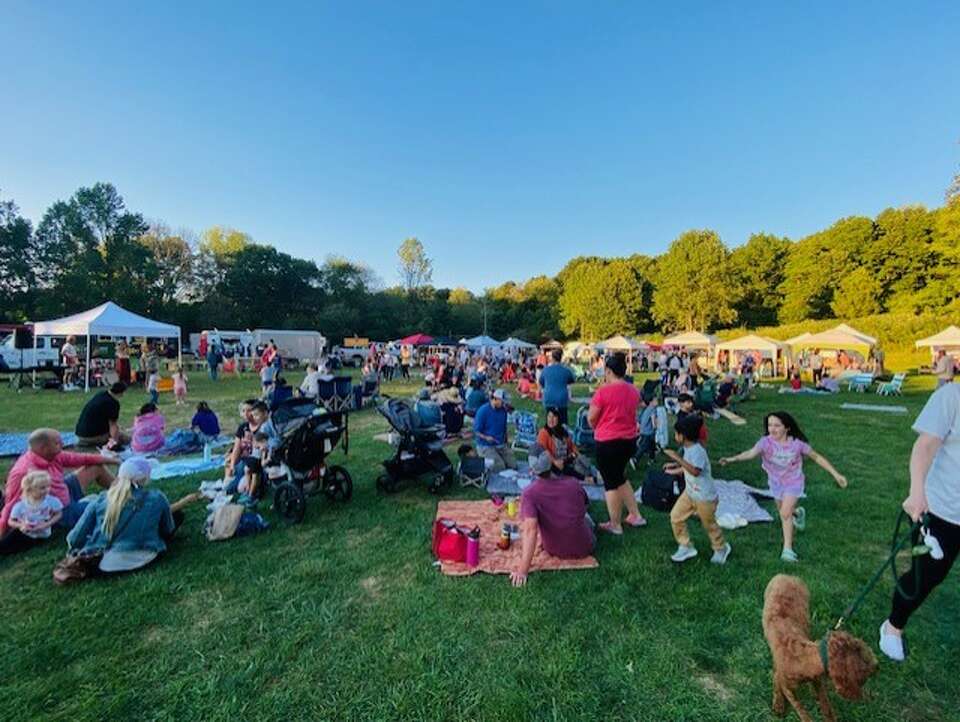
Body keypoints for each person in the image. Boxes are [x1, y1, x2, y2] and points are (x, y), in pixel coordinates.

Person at [877, 382, 959, 661]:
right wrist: (917, 492)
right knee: (926, 577)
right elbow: (925, 445)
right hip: (942, 510)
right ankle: (893, 626)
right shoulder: (951, 396)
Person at [719, 411, 847, 563]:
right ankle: (797, 513)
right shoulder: (765, 442)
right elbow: (751, 453)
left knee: (785, 514)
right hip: (775, 484)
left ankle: (787, 550)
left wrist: (836, 474)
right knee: (784, 512)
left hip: (794, 482)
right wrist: (732, 459)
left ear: (787, 428)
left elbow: (816, 457)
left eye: (777, 426)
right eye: (770, 425)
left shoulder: (797, 445)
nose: (772, 429)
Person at [66, 457, 199, 574]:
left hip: (101, 562)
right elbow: (168, 529)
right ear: (144, 478)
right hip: (142, 556)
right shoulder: (157, 497)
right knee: (177, 516)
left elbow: (74, 537)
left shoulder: (101, 499)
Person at [1, 429, 117, 536]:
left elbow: (82, 458)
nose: (62, 445)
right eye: (57, 443)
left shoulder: (54, 455)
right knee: (107, 506)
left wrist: (114, 460)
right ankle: (117, 500)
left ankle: (125, 490)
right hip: (61, 510)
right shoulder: (24, 472)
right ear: (43, 448)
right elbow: (10, 504)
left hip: (63, 490)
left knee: (96, 466)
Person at [510, 451, 595, 587]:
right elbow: (584, 505)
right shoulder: (573, 483)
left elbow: (530, 531)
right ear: (551, 464)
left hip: (554, 549)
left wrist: (522, 571)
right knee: (587, 517)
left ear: (531, 470)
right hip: (584, 546)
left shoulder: (529, 493)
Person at [588, 353, 646, 534]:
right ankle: (635, 515)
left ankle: (615, 523)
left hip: (607, 442)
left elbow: (591, 418)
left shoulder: (603, 392)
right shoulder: (633, 390)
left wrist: (597, 426)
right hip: (629, 441)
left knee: (610, 482)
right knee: (620, 477)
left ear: (609, 371)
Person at [663, 415, 730, 564]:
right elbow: (687, 467)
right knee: (675, 516)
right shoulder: (688, 448)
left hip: (705, 497)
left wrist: (676, 458)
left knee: (709, 525)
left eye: (676, 433)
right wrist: (674, 468)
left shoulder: (698, 451)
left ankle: (721, 548)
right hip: (690, 493)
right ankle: (685, 545)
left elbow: (695, 471)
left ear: (683, 436)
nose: (675, 436)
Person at [0, 471, 63, 555]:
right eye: (42, 488)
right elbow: (11, 521)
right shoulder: (21, 505)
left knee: (13, 549)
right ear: (30, 490)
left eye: (48, 486)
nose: (47, 490)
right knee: (7, 542)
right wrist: (21, 525)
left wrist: (47, 524)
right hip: (24, 531)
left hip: (42, 534)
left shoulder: (50, 501)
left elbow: (59, 514)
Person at [537, 407, 594, 482]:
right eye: (549, 416)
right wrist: (555, 461)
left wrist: (576, 453)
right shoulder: (543, 433)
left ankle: (589, 472)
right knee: (560, 467)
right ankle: (585, 478)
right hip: (550, 461)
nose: (551, 419)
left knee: (582, 461)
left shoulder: (562, 430)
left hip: (566, 459)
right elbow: (543, 451)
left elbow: (571, 445)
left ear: (558, 419)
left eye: (554, 417)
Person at [473, 389, 517, 472]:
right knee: (500, 467)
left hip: (500, 443)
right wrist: (486, 437)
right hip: (485, 445)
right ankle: (484, 461)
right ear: (495, 399)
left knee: (513, 465)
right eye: (502, 401)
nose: (504, 403)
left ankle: (498, 459)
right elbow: (476, 431)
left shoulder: (503, 410)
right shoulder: (483, 411)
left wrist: (506, 442)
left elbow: (504, 428)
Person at [75, 382, 129, 448]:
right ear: (121, 393)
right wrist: (115, 442)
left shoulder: (100, 394)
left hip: (80, 434)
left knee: (118, 430)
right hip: (91, 437)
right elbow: (113, 426)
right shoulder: (113, 403)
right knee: (126, 439)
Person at [539, 349, 575, 425]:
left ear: (552, 358)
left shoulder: (545, 370)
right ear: (561, 358)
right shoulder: (566, 370)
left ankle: (550, 433)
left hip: (549, 398)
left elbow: (541, 383)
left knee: (550, 420)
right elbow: (571, 380)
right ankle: (563, 434)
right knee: (563, 421)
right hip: (561, 399)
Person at [636, 396, 658, 461]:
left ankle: (652, 458)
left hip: (643, 429)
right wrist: (655, 427)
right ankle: (636, 458)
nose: (657, 402)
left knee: (652, 444)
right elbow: (653, 420)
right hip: (648, 431)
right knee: (644, 446)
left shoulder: (647, 408)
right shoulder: (653, 409)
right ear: (651, 402)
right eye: (655, 400)